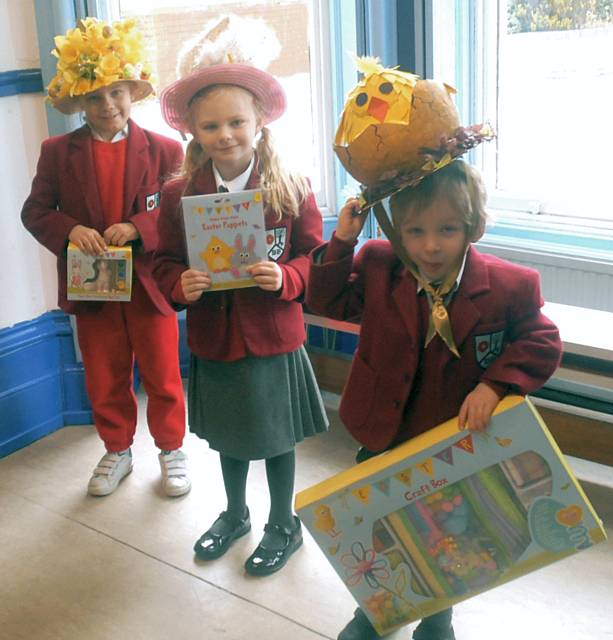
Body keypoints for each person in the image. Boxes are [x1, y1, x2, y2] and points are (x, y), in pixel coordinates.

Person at [306, 159, 563, 639]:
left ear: (475, 227)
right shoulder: (381, 265)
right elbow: (327, 302)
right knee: (383, 528)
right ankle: (377, 610)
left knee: (453, 531)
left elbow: (541, 341)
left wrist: (496, 385)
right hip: (383, 433)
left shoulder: (511, 285)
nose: (429, 245)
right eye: (415, 231)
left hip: (456, 444)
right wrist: (342, 241)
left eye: (447, 230)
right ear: (397, 231)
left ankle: (438, 614)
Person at [154, 14, 329, 576]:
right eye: (211, 127)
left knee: (277, 437)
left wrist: (290, 278)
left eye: (236, 122)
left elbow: (315, 257)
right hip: (215, 338)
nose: (225, 135)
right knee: (230, 437)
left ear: (259, 123)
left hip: (273, 337)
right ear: (194, 134)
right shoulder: (179, 193)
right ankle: (235, 513)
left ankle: (284, 521)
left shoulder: (290, 187)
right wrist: (177, 284)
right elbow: (161, 261)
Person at [21, 18, 190, 498]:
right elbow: (34, 211)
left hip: (150, 283)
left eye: (116, 92)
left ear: (132, 91)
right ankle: (117, 448)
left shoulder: (164, 149)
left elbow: (179, 211)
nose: (108, 104)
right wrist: (71, 229)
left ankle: (171, 448)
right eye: (94, 96)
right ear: (79, 102)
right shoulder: (57, 152)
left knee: (162, 370)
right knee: (103, 370)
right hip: (92, 284)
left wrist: (141, 225)